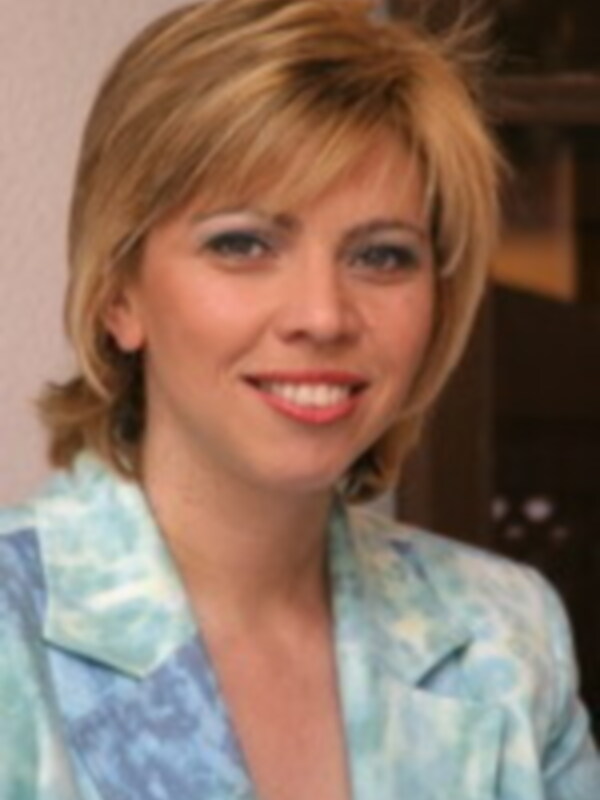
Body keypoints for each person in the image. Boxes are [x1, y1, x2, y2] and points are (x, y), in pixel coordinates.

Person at [1, 0, 598, 798]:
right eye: (243, 244)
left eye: (381, 256)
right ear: (118, 294)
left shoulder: (505, 635)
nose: (323, 315)